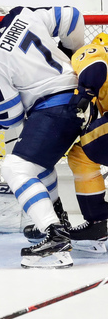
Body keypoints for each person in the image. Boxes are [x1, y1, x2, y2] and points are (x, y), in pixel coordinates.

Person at [0, 0, 87, 268]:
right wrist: (75, 54)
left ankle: (55, 239)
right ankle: (57, 220)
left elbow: (10, 115)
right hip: (80, 97)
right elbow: (72, 16)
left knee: (14, 169)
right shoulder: (22, 15)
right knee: (35, 163)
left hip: (56, 109)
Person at [25, 33, 108, 254]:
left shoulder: (91, 50)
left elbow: (95, 67)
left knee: (84, 153)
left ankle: (98, 224)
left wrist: (82, 96)